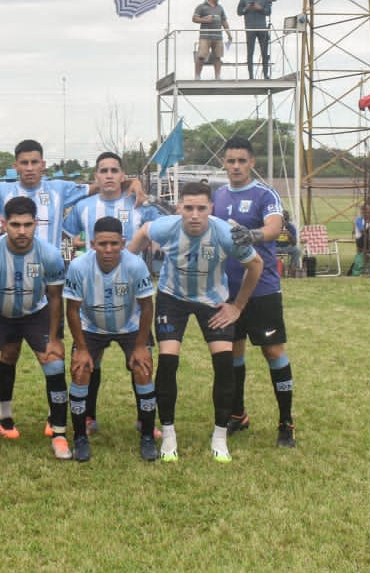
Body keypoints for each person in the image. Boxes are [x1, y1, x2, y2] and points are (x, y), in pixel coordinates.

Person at [128, 182, 261, 462]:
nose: (195, 215)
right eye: (188, 208)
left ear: (211, 208)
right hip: (172, 297)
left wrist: (237, 307)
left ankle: (220, 436)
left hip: (212, 300)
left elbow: (256, 264)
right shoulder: (167, 227)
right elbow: (142, 234)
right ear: (179, 208)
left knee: (224, 364)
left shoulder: (226, 233)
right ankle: (169, 434)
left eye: (201, 208)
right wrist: (129, 272)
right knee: (168, 362)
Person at [61, 151, 160, 429]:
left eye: (114, 171)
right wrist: (72, 261)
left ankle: (144, 421)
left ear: (123, 175)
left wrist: (143, 193)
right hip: (93, 295)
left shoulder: (137, 203)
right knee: (90, 361)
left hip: (131, 297)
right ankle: (88, 416)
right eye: (103, 171)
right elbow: (67, 239)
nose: (108, 175)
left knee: (140, 360)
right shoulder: (83, 207)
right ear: (96, 176)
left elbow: (160, 227)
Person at [211, 137, 298, 450]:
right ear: (224, 163)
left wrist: (253, 234)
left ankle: (286, 422)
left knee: (273, 352)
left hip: (262, 290)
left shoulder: (265, 193)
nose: (236, 166)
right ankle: (238, 414)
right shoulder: (218, 195)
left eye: (241, 161)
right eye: (231, 161)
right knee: (233, 353)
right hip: (227, 291)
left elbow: (275, 227)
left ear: (252, 163)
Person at [0, 197, 72, 460]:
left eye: (27, 225)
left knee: (54, 362)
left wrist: (55, 338)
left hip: (34, 313)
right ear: (4, 224)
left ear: (36, 224)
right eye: (15, 225)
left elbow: (55, 298)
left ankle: (59, 434)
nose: (21, 231)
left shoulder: (49, 254)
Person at [63, 217, 157, 461]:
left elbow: (147, 306)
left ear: (123, 243)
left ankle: (147, 435)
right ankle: (80, 437)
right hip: (91, 326)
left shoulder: (135, 265)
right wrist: (81, 348)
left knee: (143, 368)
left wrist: (140, 346)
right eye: (102, 244)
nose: (108, 249)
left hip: (130, 325)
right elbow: (72, 310)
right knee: (80, 370)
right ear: (92, 244)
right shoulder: (78, 266)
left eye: (114, 244)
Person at [191, 0, 233, 81]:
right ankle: (197, 76)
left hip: (218, 37)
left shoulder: (220, 7)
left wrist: (229, 34)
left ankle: (217, 77)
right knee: (201, 56)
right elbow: (194, 18)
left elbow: (224, 21)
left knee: (218, 57)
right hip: (205, 37)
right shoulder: (201, 6)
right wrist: (206, 20)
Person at [236, 0, 272, 79]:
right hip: (250, 28)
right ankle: (251, 76)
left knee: (264, 52)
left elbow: (268, 12)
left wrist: (260, 8)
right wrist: (246, 8)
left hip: (262, 28)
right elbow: (239, 12)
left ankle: (266, 74)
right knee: (250, 52)